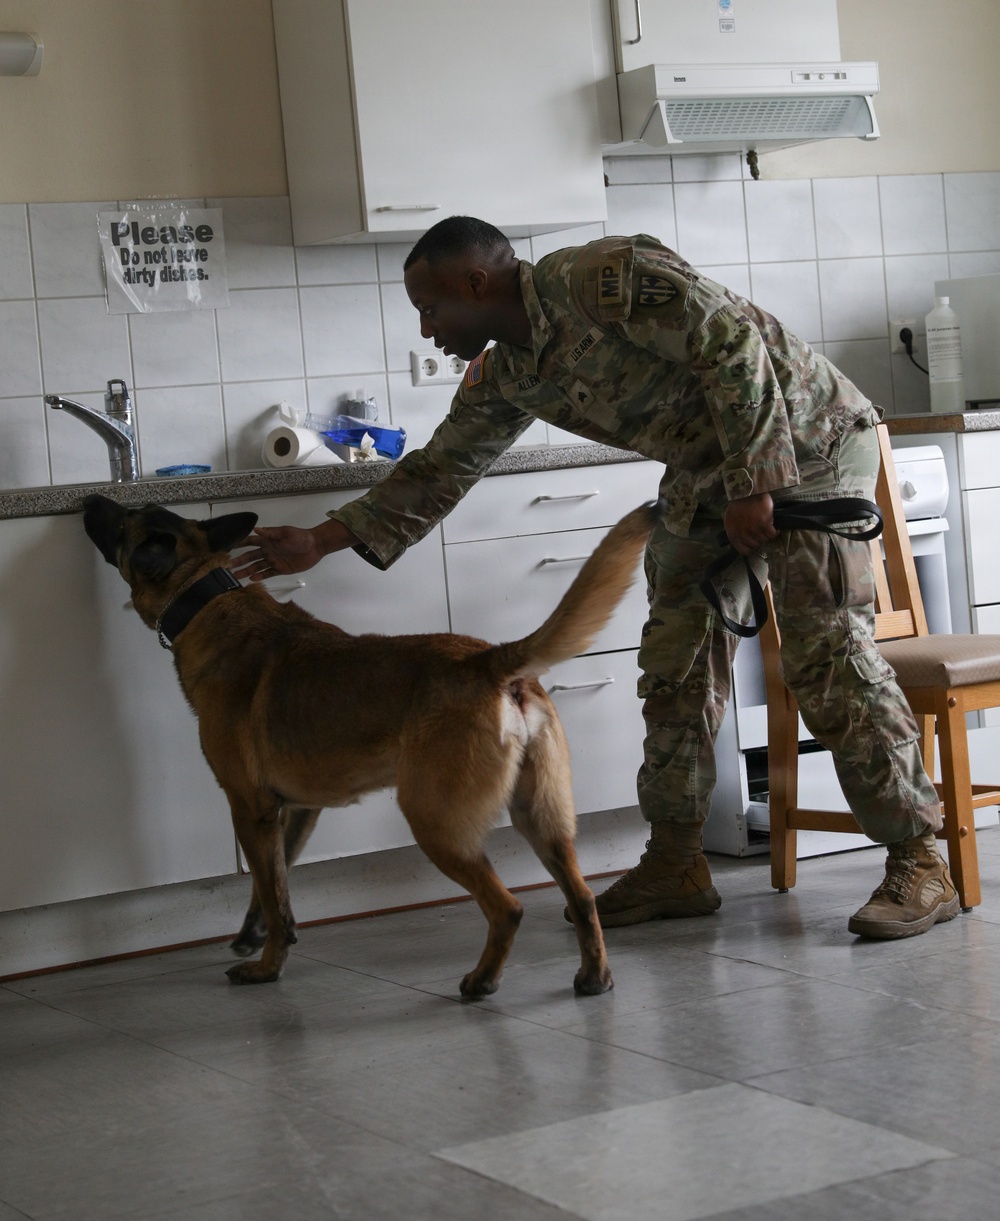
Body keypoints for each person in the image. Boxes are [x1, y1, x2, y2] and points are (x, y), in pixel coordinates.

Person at [233, 215, 959, 941]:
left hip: (806, 442)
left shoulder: (596, 281)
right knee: (672, 658)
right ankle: (676, 860)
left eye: (431, 307)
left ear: (475, 283)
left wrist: (753, 484)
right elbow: (438, 470)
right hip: (712, 473)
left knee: (824, 657)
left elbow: (730, 338)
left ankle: (921, 860)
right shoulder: (507, 372)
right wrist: (320, 540)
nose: (427, 329)